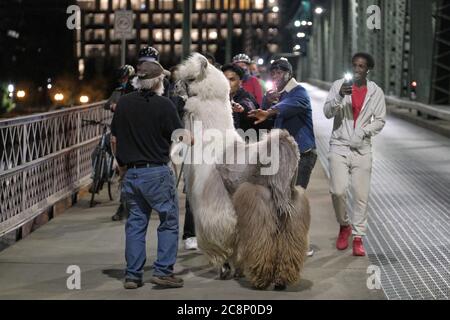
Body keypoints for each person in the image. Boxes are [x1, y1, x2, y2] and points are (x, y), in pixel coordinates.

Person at [111, 59, 185, 289]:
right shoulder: (164, 105)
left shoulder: (123, 103)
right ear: (158, 82)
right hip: (157, 173)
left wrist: (121, 166)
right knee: (169, 222)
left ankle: (133, 275)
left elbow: (115, 138)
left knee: (135, 223)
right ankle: (163, 272)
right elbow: (178, 135)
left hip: (132, 173)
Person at [249, 58, 317, 257]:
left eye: (280, 72)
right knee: (281, 200)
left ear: (289, 73)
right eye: (273, 73)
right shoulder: (278, 97)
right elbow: (263, 121)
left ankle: (300, 245)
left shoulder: (299, 92)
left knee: (296, 200)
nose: (276, 76)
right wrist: (266, 102)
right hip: (283, 157)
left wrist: (271, 108)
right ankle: (284, 241)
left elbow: (287, 107)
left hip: (302, 156)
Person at [323, 52, 386, 257]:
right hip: (339, 146)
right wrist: (340, 95)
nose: (357, 70)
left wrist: (364, 132)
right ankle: (344, 225)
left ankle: (358, 237)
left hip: (362, 149)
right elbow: (327, 112)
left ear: (368, 70)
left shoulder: (375, 92)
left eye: (361, 66)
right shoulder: (338, 86)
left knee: (361, 196)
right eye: (354, 66)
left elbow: (380, 120)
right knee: (338, 191)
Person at [104, 65, 135, 221]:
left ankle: (127, 208)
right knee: (125, 174)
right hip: (124, 139)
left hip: (136, 140)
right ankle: (124, 208)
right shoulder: (119, 93)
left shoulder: (138, 96)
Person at [221, 63, 259, 132]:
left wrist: (242, 109)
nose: (227, 83)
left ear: (240, 82)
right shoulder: (218, 97)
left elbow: (248, 105)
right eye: (224, 79)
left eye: (232, 79)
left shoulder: (246, 96)